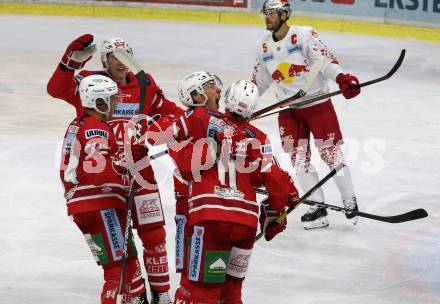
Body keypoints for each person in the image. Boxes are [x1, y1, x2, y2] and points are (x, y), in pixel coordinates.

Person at [48, 34, 183, 303]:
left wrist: (153, 130)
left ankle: (162, 294)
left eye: (125, 57)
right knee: (120, 243)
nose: (120, 62)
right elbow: (56, 89)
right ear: (104, 60)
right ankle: (136, 295)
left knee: (154, 234)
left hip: (140, 173)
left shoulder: (145, 84)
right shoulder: (91, 84)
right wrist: (69, 63)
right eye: (114, 57)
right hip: (104, 178)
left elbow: (173, 115)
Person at [167, 79, 299, 303]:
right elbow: (274, 178)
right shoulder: (258, 137)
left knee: (204, 292)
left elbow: (170, 135)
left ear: (227, 99)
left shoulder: (202, 118)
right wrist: (277, 213)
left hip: (210, 218)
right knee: (232, 293)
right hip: (245, 223)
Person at [252, 0, 361, 230]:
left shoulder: (303, 35)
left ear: (284, 15)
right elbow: (259, 82)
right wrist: (244, 103)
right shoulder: (264, 48)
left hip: (318, 105)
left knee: (331, 155)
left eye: (272, 13)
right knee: (298, 159)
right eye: (266, 13)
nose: (267, 17)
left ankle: (349, 199)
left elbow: (325, 61)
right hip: (290, 111)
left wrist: (341, 78)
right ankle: (316, 206)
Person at [59, 74, 146, 304]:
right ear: (98, 102)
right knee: (116, 270)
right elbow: (100, 172)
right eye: (111, 99)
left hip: (81, 206)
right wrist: (126, 163)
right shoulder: (96, 128)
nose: (116, 103)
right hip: (99, 205)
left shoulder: (77, 125)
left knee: (120, 264)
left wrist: (125, 158)